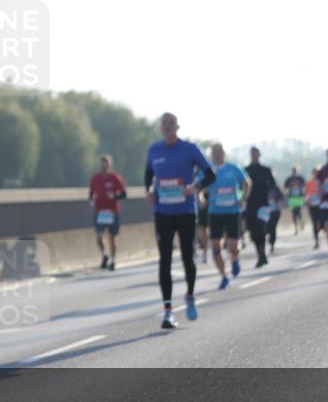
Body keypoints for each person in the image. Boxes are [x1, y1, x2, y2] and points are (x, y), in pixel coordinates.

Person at [144, 113, 215, 329]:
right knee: (164, 258)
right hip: (162, 212)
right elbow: (148, 176)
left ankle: (190, 296)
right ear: (160, 128)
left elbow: (210, 174)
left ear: (177, 127)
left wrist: (195, 187)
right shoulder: (154, 150)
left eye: (170, 123)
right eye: (163, 124)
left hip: (185, 211)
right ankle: (167, 311)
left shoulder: (190, 149)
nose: (167, 127)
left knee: (187, 257)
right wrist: (149, 190)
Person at [205, 143, 250, 290]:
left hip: (232, 212)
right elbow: (197, 186)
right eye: (214, 152)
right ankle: (224, 276)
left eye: (220, 151)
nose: (217, 154)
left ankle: (235, 260)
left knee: (232, 247)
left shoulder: (233, 168)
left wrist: (243, 197)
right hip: (214, 212)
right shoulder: (208, 170)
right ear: (211, 154)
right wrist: (200, 199)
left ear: (224, 153)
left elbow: (246, 183)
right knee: (216, 247)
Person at [89, 155, 128, 271]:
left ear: (110, 165)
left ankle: (113, 260)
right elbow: (91, 192)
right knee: (99, 237)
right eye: (102, 163)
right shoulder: (95, 178)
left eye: (106, 163)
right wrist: (91, 199)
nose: (103, 166)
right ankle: (104, 254)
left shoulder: (115, 178)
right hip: (100, 211)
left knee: (111, 237)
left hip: (112, 211)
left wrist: (114, 195)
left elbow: (124, 194)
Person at [243, 147, 277, 268]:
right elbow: (241, 186)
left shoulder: (266, 170)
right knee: (252, 232)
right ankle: (260, 254)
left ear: (259, 155)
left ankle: (263, 254)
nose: (253, 156)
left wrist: (272, 198)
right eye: (251, 154)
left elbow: (273, 185)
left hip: (263, 204)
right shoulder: (246, 170)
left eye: (255, 154)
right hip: (250, 204)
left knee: (260, 228)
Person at [284, 165, 306, 235]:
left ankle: (301, 222)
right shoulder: (289, 178)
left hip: (299, 197)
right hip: (292, 197)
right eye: (293, 170)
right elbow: (285, 186)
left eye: (295, 170)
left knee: (298, 211)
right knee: (293, 213)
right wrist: (291, 186)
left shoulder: (300, 178)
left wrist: (299, 186)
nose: (294, 171)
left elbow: (304, 185)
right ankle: (296, 228)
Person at [305, 167, 322, 249]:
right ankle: (316, 241)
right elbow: (307, 195)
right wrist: (308, 202)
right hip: (312, 206)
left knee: (322, 222)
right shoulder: (309, 183)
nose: (315, 174)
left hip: (321, 206)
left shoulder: (322, 182)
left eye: (316, 173)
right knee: (314, 223)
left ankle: (320, 228)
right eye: (313, 173)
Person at [265, 184, 284, 254]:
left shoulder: (276, 188)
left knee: (273, 228)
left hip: (275, 212)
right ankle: (269, 238)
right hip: (266, 212)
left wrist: (279, 202)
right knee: (267, 228)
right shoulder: (262, 188)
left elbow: (281, 197)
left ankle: (272, 244)